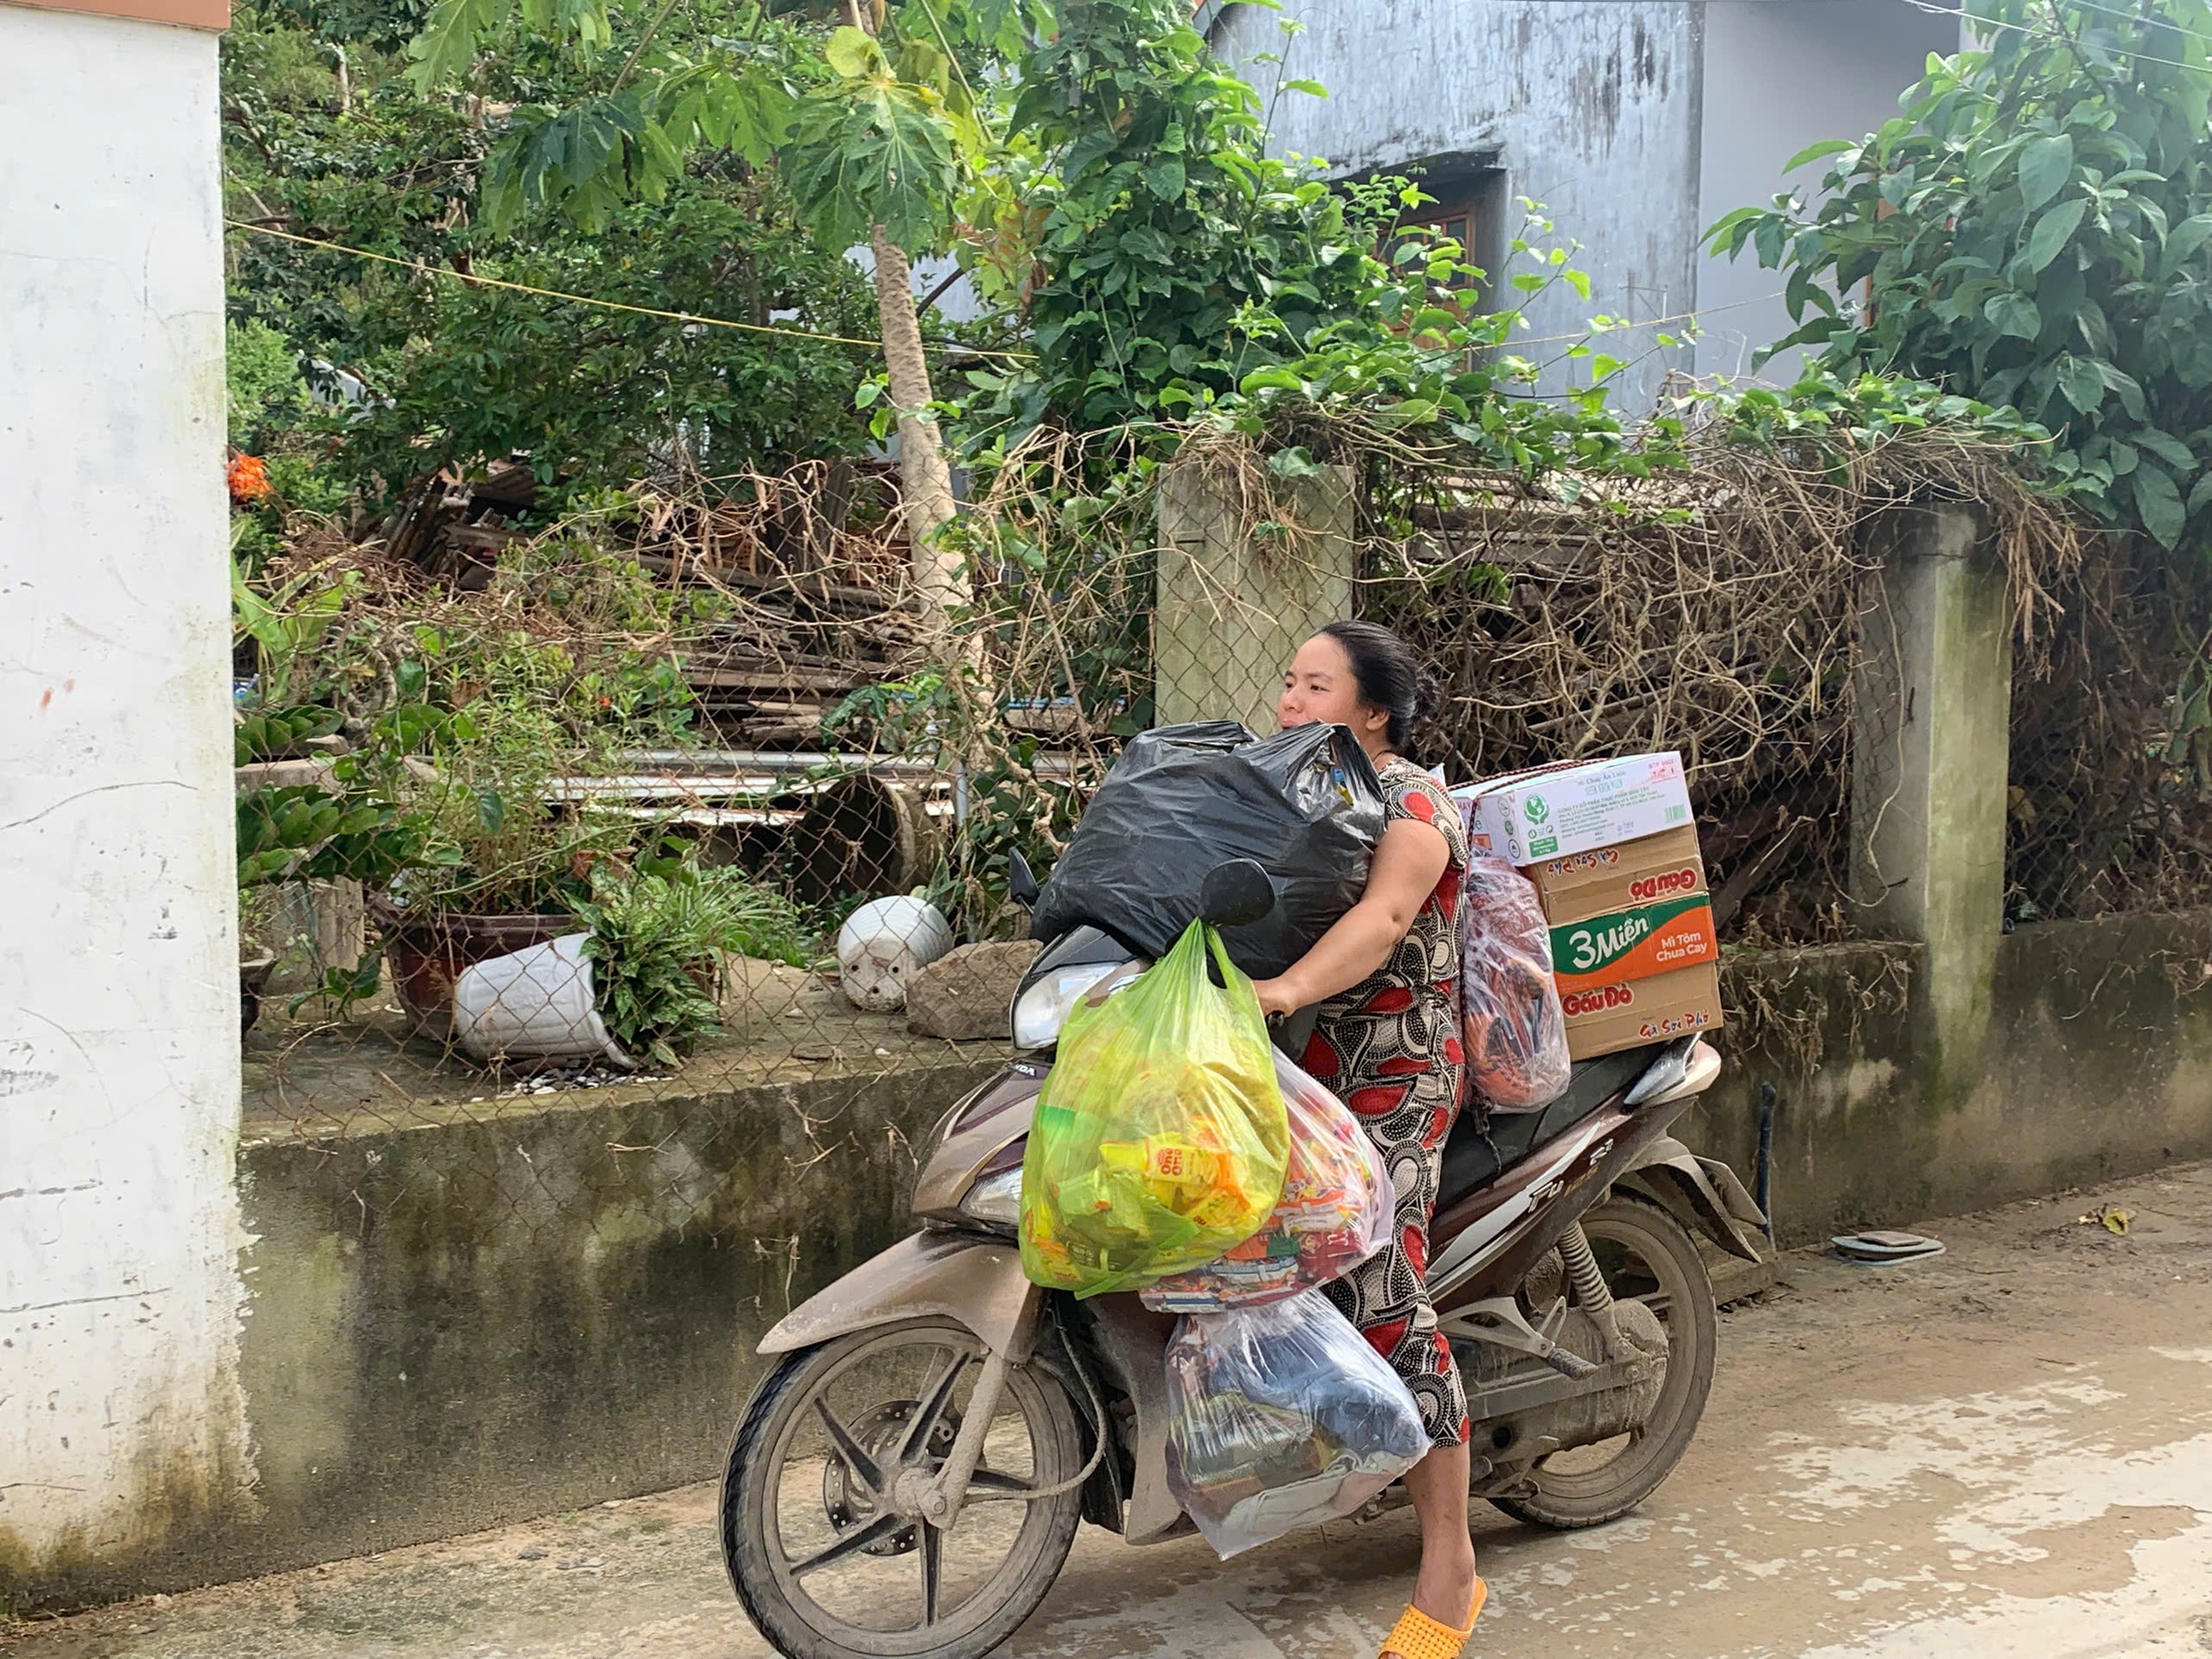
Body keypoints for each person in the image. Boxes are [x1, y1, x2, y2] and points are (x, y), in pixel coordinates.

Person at [1249, 620, 1485, 1659]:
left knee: (1378, 1277)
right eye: (1288, 684)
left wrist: (1286, 987)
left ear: (1373, 712)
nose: (1291, 701)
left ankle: (1452, 1567)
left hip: (1396, 1067)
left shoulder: (1410, 798)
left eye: (1315, 685)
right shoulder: (1299, 798)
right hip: (1299, 1066)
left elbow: (1386, 920)